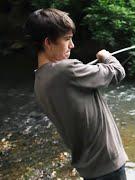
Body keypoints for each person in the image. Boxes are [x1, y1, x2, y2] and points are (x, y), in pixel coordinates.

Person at [24, 8, 128, 180]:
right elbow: (117, 72)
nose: (72, 45)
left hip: (88, 167)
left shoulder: (39, 80)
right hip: (107, 164)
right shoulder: (66, 70)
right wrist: (106, 56)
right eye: (67, 39)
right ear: (48, 42)